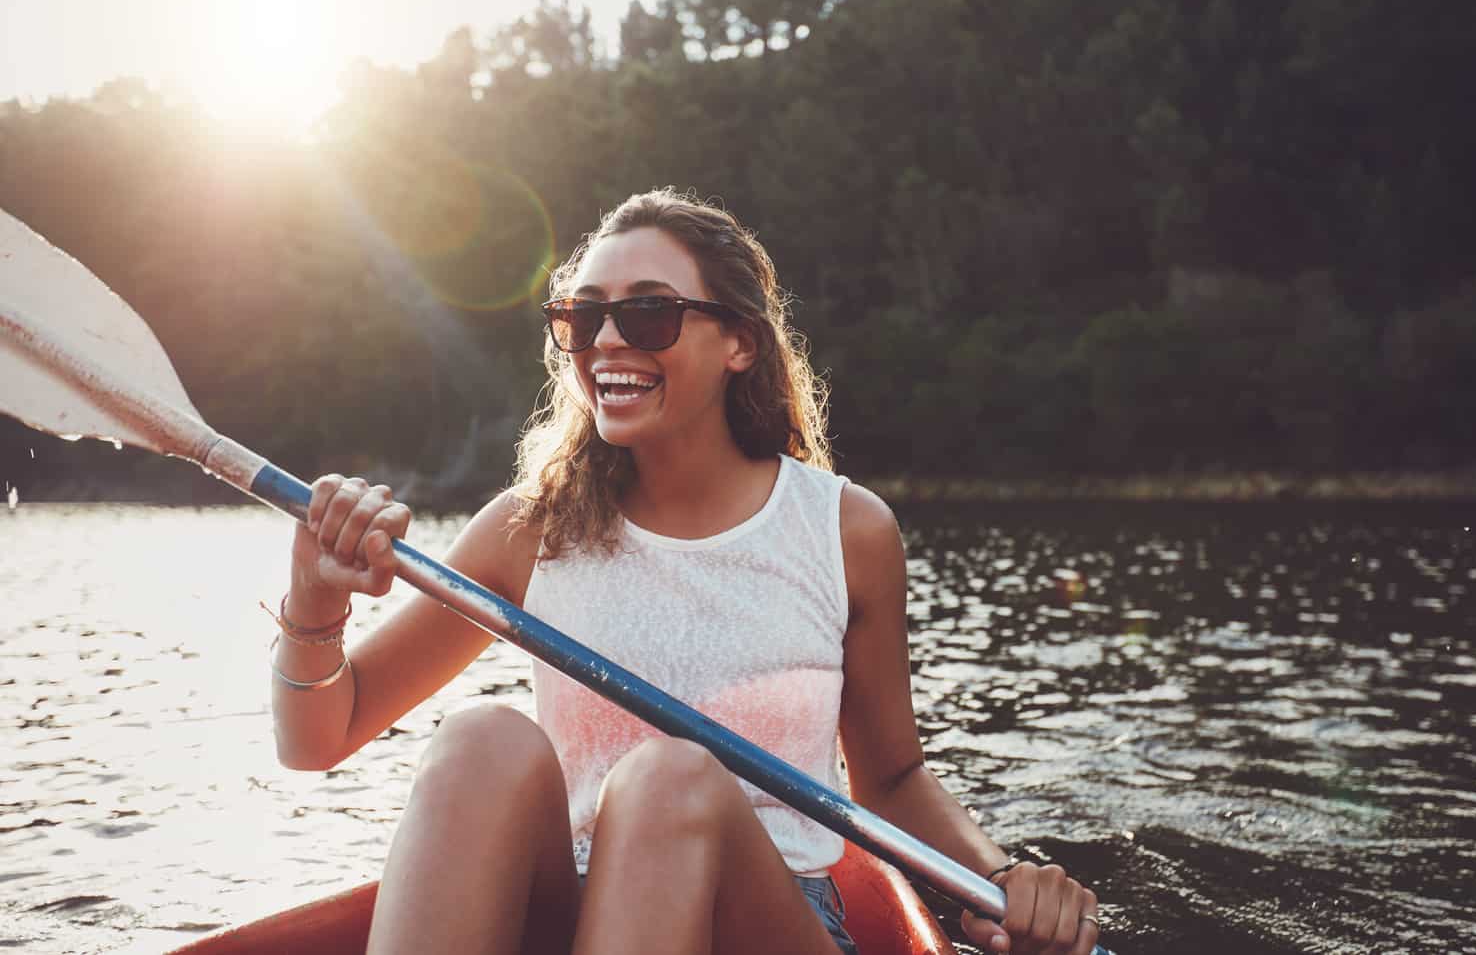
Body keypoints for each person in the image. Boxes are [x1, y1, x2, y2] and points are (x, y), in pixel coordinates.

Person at [267, 189, 1106, 955]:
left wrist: (1003, 880)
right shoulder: (531, 529)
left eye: (649, 313)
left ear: (740, 341)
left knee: (673, 776)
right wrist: (315, 599)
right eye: (583, 316)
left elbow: (890, 779)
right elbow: (318, 740)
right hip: (574, 920)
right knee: (481, 737)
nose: (605, 342)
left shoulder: (845, 530)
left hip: (776, 921)